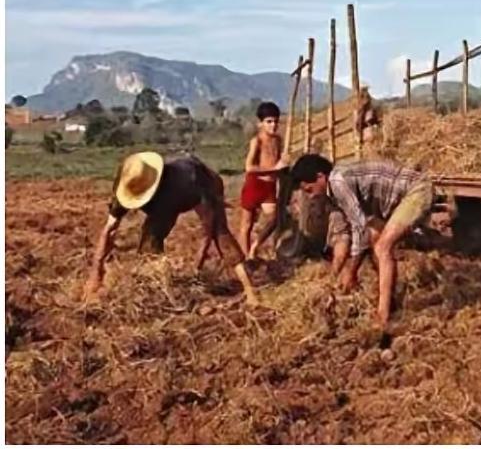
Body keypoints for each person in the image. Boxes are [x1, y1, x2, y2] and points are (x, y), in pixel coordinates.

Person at [83, 151, 259, 306]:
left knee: (219, 234)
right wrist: (95, 273)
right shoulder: (126, 185)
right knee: (149, 244)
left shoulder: (182, 186)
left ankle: (250, 292)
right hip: (175, 184)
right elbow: (109, 230)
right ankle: (154, 291)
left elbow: (217, 231)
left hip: (197, 185)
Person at [291, 154, 435, 335]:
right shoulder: (332, 193)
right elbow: (344, 235)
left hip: (416, 190)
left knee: (383, 247)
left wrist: (351, 271)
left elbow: (359, 228)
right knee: (374, 236)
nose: (310, 196)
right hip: (396, 202)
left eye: (309, 190)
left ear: (321, 177)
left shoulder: (338, 181)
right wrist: (333, 277)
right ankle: (390, 301)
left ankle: (382, 316)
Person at [239, 101, 287, 259]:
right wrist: (274, 169)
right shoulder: (257, 141)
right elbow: (249, 167)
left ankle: (255, 246)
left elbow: (279, 163)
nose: (273, 125)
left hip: (270, 186)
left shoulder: (278, 140)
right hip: (255, 184)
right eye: (269, 122)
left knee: (275, 218)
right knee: (247, 224)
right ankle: (246, 259)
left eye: (275, 121)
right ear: (260, 123)